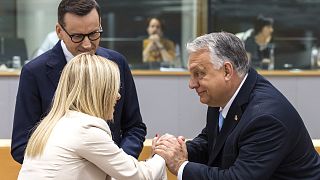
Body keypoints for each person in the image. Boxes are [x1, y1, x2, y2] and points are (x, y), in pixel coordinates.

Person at [154, 32, 320, 179]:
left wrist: (181, 166)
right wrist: (179, 149)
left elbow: (238, 177)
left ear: (227, 71)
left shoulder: (265, 117)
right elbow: (212, 142)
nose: (192, 84)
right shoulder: (223, 96)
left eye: (199, 74)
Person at [11, 0, 146, 164]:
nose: (87, 44)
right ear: (59, 31)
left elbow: (134, 127)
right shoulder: (34, 72)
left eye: (94, 33)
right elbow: (21, 146)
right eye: (77, 36)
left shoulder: (117, 63)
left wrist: (118, 164)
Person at [17, 53, 167, 180]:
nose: (118, 96)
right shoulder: (85, 130)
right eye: (112, 89)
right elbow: (138, 176)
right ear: (98, 93)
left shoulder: (55, 124)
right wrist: (163, 154)